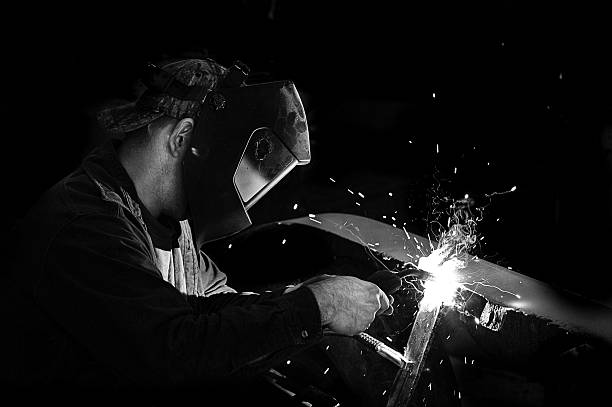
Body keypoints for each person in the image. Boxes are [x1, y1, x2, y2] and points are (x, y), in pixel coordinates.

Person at [5, 57, 392, 400]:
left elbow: (209, 313)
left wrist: (306, 301)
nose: (244, 189)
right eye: (242, 170)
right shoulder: (85, 225)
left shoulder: (173, 228)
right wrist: (315, 307)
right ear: (182, 138)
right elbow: (174, 352)